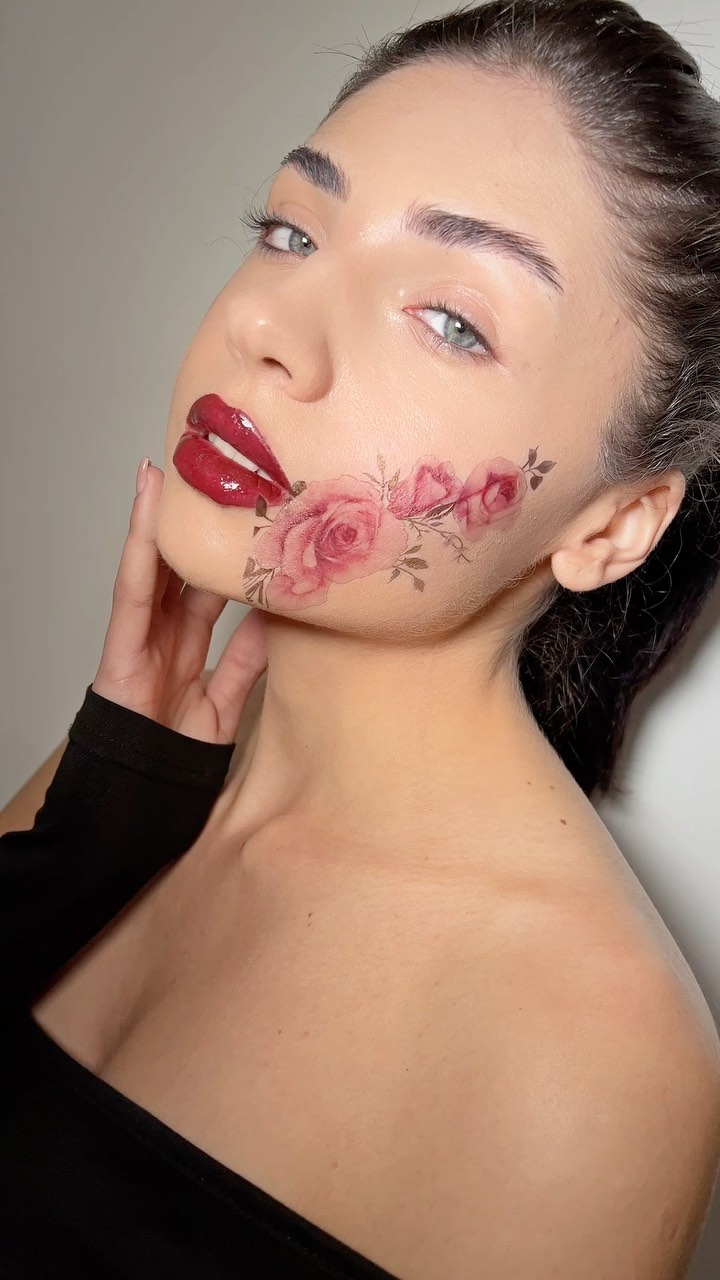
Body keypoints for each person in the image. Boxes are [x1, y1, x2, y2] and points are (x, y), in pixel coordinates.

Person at [3, 1, 720, 1275]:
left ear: (614, 525)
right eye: (292, 231)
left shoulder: (587, 1053)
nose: (267, 327)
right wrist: (85, 833)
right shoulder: (120, 778)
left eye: (451, 319)